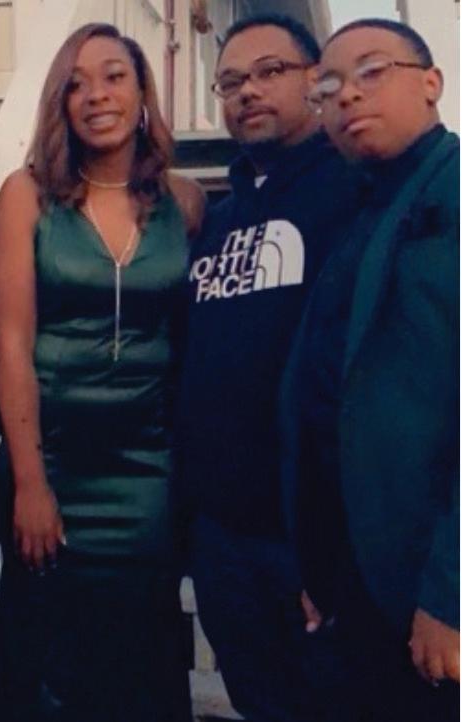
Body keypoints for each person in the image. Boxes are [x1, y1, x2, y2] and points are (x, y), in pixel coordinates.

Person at [0, 22, 204, 722]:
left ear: (142, 92)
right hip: (54, 466)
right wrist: (30, 482)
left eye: (114, 76)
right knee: (50, 668)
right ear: (60, 103)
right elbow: (13, 344)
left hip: (148, 472)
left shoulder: (185, 202)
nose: (96, 95)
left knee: (142, 664)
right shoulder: (27, 196)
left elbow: (187, 343)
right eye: (75, 84)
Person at [174, 14, 363, 722]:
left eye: (269, 72)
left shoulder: (354, 193)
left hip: (314, 545)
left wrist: (333, 549)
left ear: (316, 79)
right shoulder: (220, 218)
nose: (247, 91)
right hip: (223, 541)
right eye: (230, 82)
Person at [282, 18, 459, 722]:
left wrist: (452, 596)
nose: (348, 95)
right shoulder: (361, 209)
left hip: (426, 589)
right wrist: (317, 562)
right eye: (328, 85)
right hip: (352, 578)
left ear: (431, 82)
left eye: (372, 72)